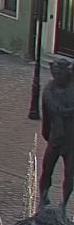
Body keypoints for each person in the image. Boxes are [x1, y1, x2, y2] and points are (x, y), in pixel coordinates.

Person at [39, 58, 74, 207]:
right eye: (55, 74)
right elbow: (46, 116)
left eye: (60, 74)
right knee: (46, 170)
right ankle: (43, 199)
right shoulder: (49, 91)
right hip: (55, 138)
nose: (57, 77)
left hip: (72, 141)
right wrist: (46, 133)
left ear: (68, 73)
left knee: (70, 174)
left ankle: (64, 204)